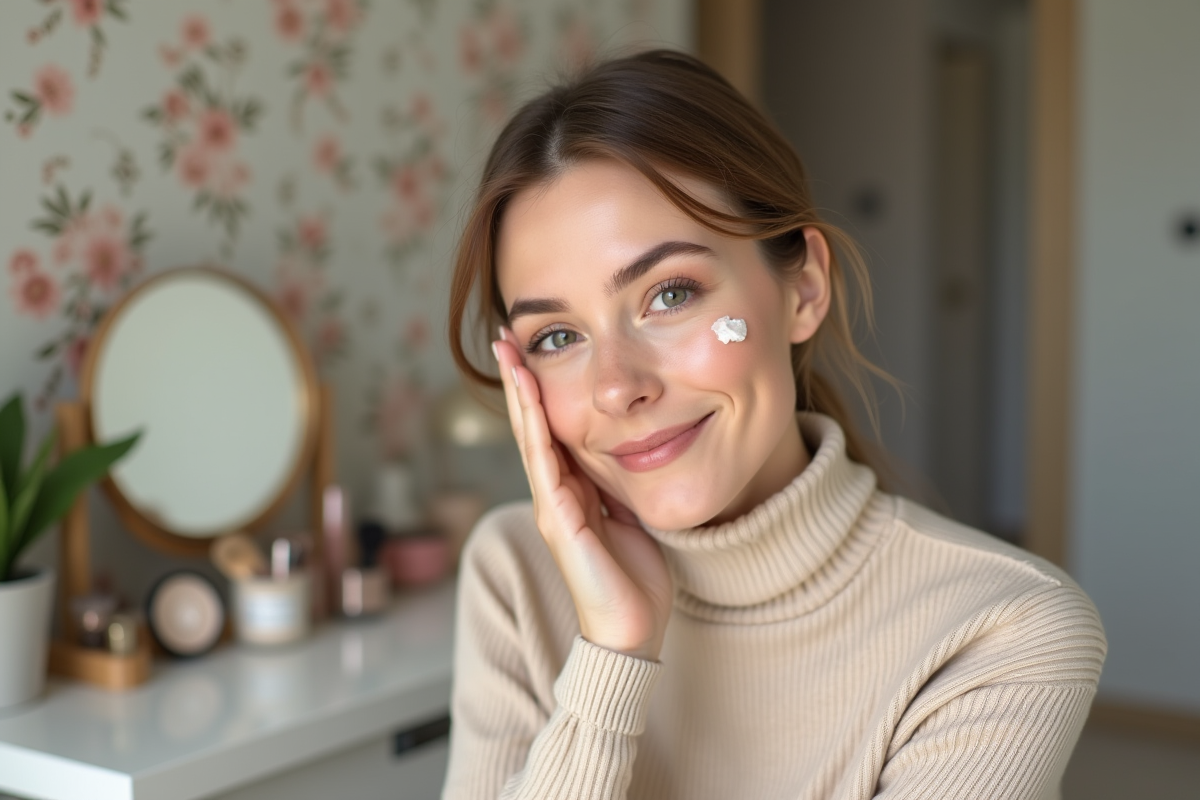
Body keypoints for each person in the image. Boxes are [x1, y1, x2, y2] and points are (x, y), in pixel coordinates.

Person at [442, 49, 1105, 800]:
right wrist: (611, 656)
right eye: (558, 337)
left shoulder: (1003, 629)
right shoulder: (516, 573)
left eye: (670, 294)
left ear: (805, 288)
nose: (618, 388)